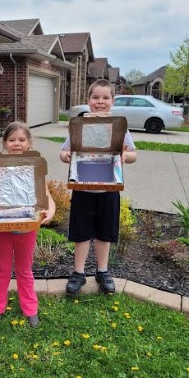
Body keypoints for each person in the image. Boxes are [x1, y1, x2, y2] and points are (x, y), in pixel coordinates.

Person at [0, 122, 56, 327]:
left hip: (26, 229)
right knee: (2, 269)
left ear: (29, 143)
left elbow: (46, 195)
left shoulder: (34, 167)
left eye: (21, 139)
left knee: (24, 270)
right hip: (1, 229)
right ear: (5, 143)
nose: (16, 144)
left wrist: (51, 210)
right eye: (12, 140)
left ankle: (30, 309)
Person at [60, 79, 137, 295]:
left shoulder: (119, 126)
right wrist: (66, 156)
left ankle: (102, 271)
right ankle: (78, 273)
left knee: (105, 231)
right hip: (82, 188)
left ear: (112, 101)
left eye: (105, 98)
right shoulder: (79, 124)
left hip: (109, 189)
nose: (100, 102)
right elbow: (64, 151)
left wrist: (125, 155)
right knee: (82, 232)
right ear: (88, 100)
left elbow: (133, 155)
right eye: (96, 97)